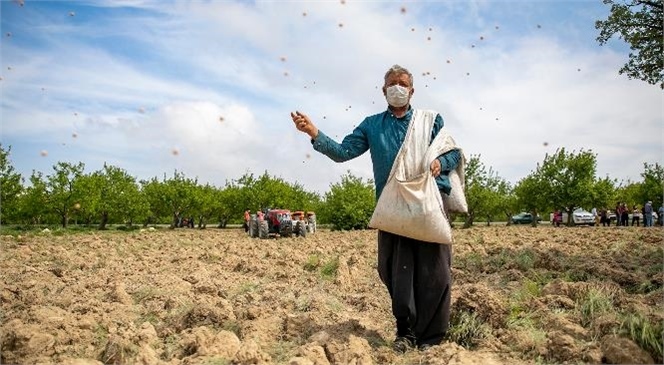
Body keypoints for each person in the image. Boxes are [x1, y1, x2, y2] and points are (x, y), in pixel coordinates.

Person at [291, 64, 462, 352]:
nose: (398, 88)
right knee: (396, 271)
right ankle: (405, 333)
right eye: (392, 84)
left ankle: (432, 338)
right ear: (384, 91)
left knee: (435, 272)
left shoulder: (430, 121)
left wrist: (439, 163)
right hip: (393, 210)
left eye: (403, 83)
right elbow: (344, 152)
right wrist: (314, 132)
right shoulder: (372, 125)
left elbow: (453, 152)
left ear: (412, 90)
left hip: (427, 206)